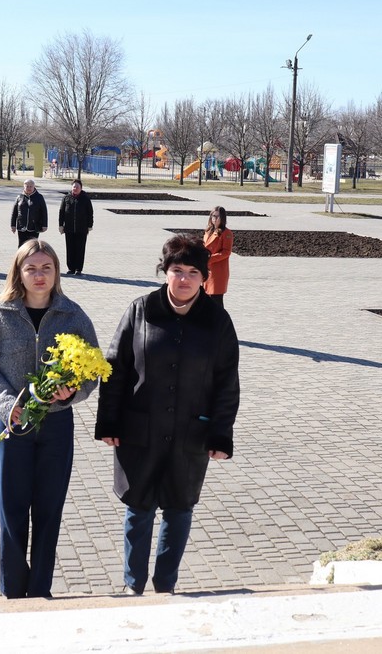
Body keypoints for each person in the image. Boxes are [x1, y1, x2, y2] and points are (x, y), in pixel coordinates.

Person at [95, 234, 240, 596]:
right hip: (140, 430)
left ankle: (166, 587)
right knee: (139, 508)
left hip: (191, 432)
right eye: (177, 270)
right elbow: (115, 368)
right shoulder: (141, 310)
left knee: (179, 509)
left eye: (193, 272)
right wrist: (109, 421)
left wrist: (221, 434)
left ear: (204, 278)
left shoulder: (218, 321)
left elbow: (227, 383)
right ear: (165, 272)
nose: (184, 279)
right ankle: (133, 585)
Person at [0, 240, 100, 599]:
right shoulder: (0, 315)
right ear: (19, 273)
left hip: (56, 429)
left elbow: (93, 371)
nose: (39, 275)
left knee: (48, 511)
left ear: (56, 272)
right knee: (12, 513)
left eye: (46, 268)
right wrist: (5, 404)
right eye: (31, 268)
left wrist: (71, 393)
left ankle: (41, 592)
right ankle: (13, 591)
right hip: (13, 427)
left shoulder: (73, 316)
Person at [58, 179, 94, 276]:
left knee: (80, 249)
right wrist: (61, 225)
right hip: (69, 228)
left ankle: (78, 268)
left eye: (77, 187)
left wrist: (90, 225)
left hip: (82, 229)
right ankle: (71, 268)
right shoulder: (66, 198)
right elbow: (61, 212)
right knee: (70, 248)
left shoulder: (85, 199)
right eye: (74, 186)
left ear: (81, 188)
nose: (75, 188)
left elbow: (90, 213)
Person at [203, 206, 233, 306]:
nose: (214, 219)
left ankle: (220, 317)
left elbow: (226, 252)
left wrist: (209, 259)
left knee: (216, 301)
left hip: (218, 271)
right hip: (207, 270)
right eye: (213, 216)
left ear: (223, 218)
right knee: (207, 301)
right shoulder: (208, 231)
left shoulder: (226, 233)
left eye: (217, 216)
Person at [10, 179, 47, 246]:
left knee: (33, 246)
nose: (29, 188)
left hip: (34, 227)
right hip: (21, 226)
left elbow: (44, 212)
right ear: (24, 187)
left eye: (31, 186)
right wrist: (13, 225)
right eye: (27, 186)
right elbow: (14, 212)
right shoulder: (19, 197)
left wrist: (45, 225)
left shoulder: (39, 197)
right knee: (22, 246)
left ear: (34, 187)